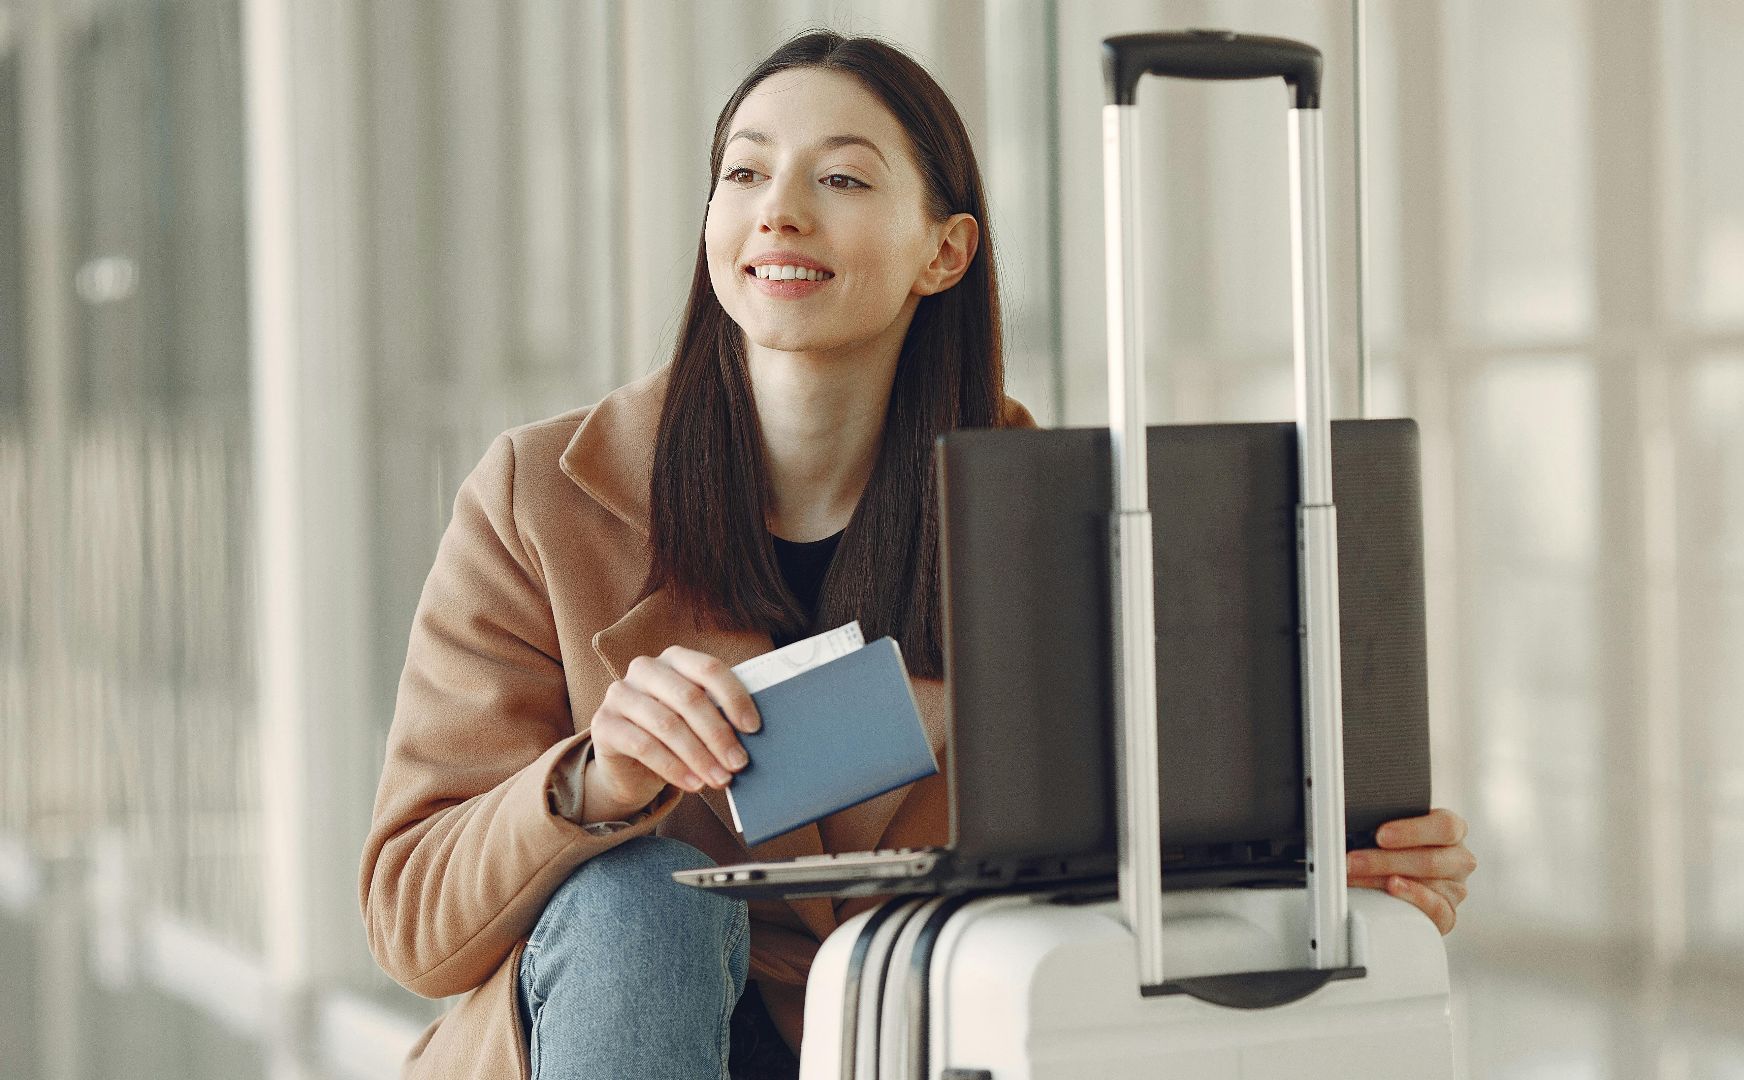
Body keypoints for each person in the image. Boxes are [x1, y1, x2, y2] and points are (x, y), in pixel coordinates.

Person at [357, 28, 1477, 1080]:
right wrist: (594, 783)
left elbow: (1133, 843)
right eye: (744, 175)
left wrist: (1331, 869)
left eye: (840, 179)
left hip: (902, 1032)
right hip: (630, 1021)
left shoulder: (1051, 514)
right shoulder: (541, 497)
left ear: (944, 252)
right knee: (641, 896)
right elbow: (413, 926)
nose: (779, 212)